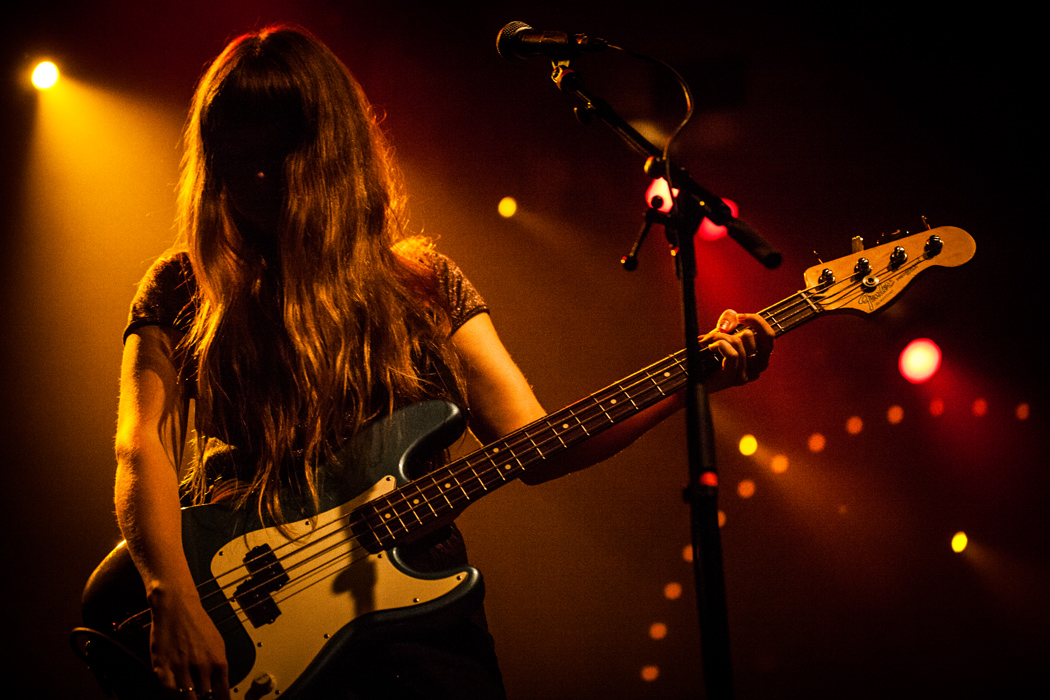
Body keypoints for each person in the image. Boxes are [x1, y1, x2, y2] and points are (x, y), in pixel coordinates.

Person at [113, 24, 773, 700]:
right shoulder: (183, 284)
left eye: (273, 152)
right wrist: (171, 596)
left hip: (423, 636)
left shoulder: (424, 283)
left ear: (325, 152)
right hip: (252, 625)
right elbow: (140, 448)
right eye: (234, 153)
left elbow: (533, 446)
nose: (252, 175)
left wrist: (693, 379)